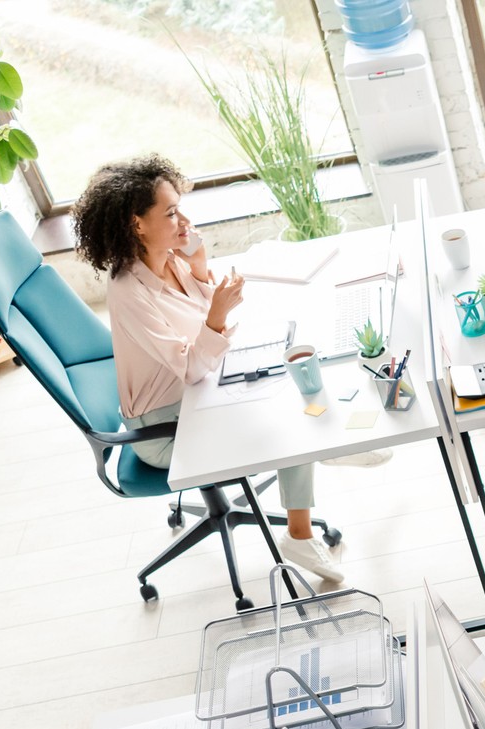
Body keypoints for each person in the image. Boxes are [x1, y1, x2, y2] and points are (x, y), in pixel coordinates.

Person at [72, 154, 351, 586]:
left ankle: (331, 443)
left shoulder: (168, 259)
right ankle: (301, 524)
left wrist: (199, 265)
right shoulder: (129, 291)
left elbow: (196, 322)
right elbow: (190, 366)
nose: (183, 219)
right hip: (165, 428)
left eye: (180, 207)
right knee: (286, 423)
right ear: (136, 225)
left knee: (280, 369)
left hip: (196, 396)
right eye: (170, 212)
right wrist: (217, 316)